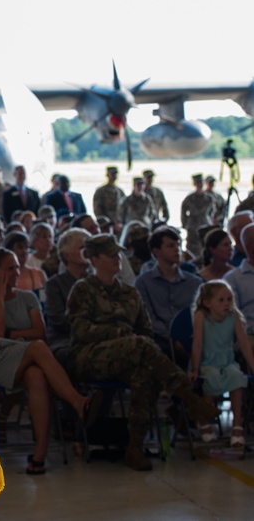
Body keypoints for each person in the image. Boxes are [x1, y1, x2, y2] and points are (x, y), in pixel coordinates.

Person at [67, 234, 218, 471]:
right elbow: (81, 330)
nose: (118, 258)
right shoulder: (83, 289)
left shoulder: (129, 292)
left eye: (118, 253)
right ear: (95, 259)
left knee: (145, 374)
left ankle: (135, 447)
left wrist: (131, 340)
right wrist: (119, 333)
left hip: (131, 354)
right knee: (140, 347)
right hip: (90, 355)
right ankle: (189, 397)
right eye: (111, 255)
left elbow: (145, 330)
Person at [0, 248, 99, 474]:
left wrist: (9, 333)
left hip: (23, 354)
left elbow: (39, 331)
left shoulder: (28, 297)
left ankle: (39, 454)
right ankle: (78, 402)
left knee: (37, 375)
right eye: (10, 268)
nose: (16, 272)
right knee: (38, 349)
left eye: (17, 266)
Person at [190, 281, 254, 447]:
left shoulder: (233, 317)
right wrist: (195, 368)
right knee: (211, 378)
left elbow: (244, 343)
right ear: (207, 303)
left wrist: (253, 365)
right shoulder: (201, 316)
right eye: (221, 300)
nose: (227, 303)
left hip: (227, 361)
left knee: (237, 377)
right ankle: (204, 420)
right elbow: (197, 344)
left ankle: (237, 425)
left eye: (229, 299)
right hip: (207, 362)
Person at [134, 227, 202, 362]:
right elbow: (148, 318)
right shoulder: (143, 282)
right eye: (171, 246)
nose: (177, 249)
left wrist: (186, 338)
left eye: (178, 245)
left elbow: (201, 314)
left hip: (192, 339)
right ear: (156, 251)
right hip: (159, 340)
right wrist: (173, 337)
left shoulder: (194, 282)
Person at [42, 227, 90, 366]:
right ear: (67, 255)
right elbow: (58, 319)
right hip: (65, 339)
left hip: (94, 336)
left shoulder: (95, 280)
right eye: (82, 248)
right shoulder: (55, 284)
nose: (86, 252)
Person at [181, 173, 214, 260]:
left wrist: (209, 222)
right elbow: (183, 212)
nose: (199, 185)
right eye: (197, 183)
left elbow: (211, 212)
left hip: (205, 224)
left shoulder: (209, 198)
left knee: (206, 246)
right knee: (191, 249)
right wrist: (185, 223)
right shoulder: (189, 198)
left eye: (201, 183)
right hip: (192, 226)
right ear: (194, 184)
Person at [93, 166, 125, 234]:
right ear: (107, 175)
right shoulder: (101, 191)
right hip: (106, 227)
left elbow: (124, 209)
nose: (114, 176)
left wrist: (121, 223)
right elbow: (97, 210)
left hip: (119, 226)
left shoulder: (120, 191)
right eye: (112, 174)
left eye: (116, 174)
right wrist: (108, 225)